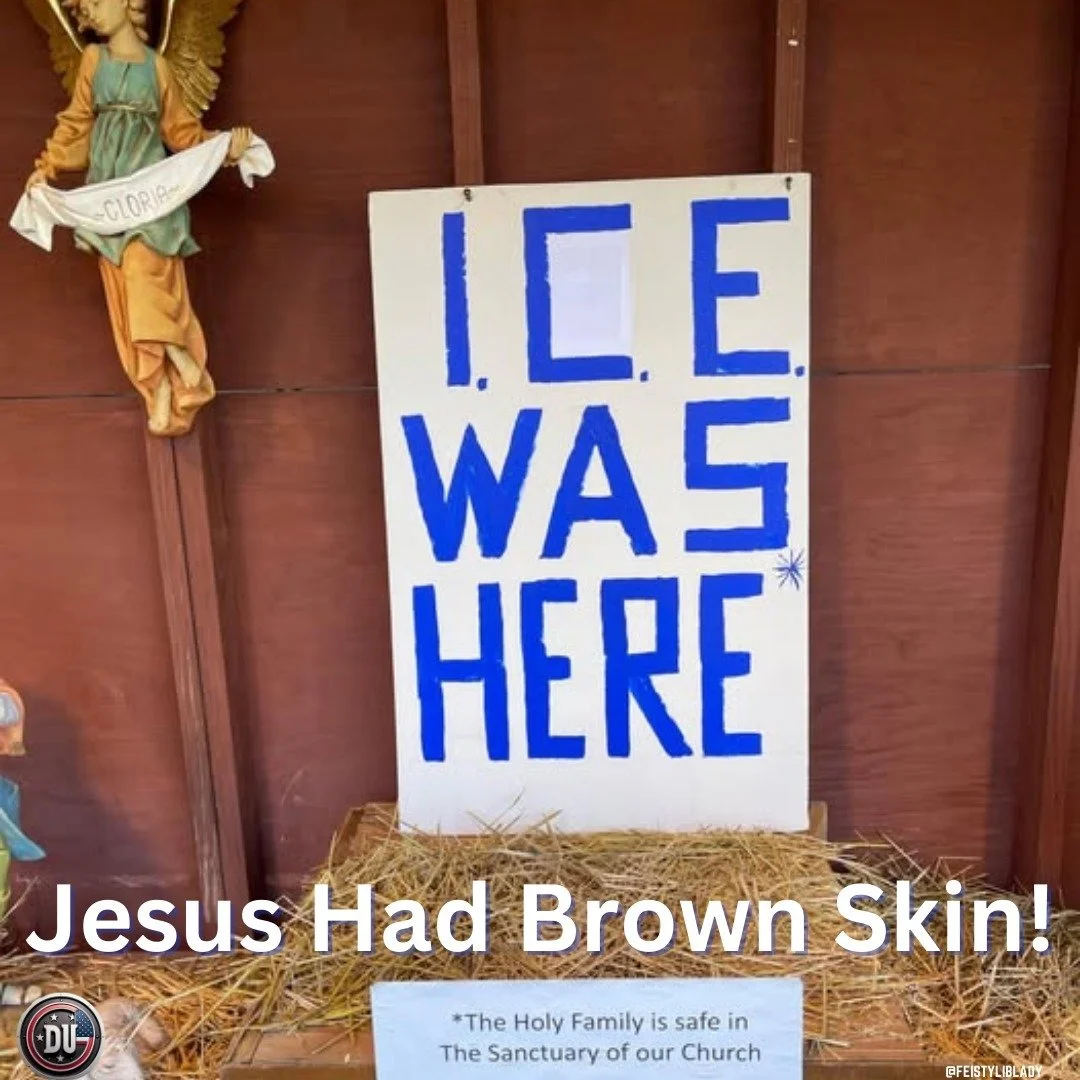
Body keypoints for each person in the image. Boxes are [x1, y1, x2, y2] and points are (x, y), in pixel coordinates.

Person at [25, 0, 253, 437]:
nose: (88, 14)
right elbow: (76, 123)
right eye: (83, 9)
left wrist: (226, 149)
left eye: (94, 2)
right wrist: (48, 165)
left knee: (143, 269)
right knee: (128, 292)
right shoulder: (94, 59)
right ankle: (163, 388)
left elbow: (183, 132)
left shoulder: (158, 68)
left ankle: (180, 358)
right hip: (112, 197)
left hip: (151, 195)